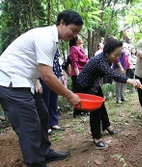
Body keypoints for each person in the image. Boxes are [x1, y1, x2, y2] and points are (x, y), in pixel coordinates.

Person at [0, 10, 83, 166]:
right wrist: (70, 95)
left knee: (42, 114)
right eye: (73, 30)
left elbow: (33, 64)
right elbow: (48, 76)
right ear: (62, 22)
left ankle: (45, 152)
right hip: (10, 82)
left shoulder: (52, 39)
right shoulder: (46, 37)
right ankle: (36, 163)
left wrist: (36, 81)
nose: (74, 35)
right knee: (29, 127)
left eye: (77, 32)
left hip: (25, 81)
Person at [74, 36, 141, 148]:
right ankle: (96, 137)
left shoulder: (107, 58)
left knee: (101, 104)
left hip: (94, 83)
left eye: (120, 54)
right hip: (85, 85)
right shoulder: (100, 60)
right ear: (107, 52)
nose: (118, 57)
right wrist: (130, 80)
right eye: (116, 55)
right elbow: (112, 74)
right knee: (95, 109)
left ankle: (107, 125)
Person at [40, 49, 65, 135]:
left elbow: (57, 61)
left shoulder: (55, 47)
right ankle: (46, 126)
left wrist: (61, 74)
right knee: (45, 101)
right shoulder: (43, 47)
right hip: (45, 77)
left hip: (55, 75)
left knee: (54, 100)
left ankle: (54, 122)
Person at [69, 36, 89, 118]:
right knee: (78, 93)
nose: (81, 38)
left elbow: (86, 60)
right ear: (76, 41)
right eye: (79, 38)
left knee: (84, 92)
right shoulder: (73, 48)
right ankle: (77, 112)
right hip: (77, 74)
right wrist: (78, 75)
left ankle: (84, 110)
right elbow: (74, 62)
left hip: (84, 73)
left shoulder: (81, 49)